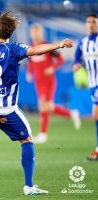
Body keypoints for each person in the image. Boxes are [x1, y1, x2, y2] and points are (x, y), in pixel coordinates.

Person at [0, 12, 73, 196]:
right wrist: (59, 44)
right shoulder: (14, 49)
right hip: (6, 111)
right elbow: (35, 50)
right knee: (27, 140)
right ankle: (29, 185)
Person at [27, 23, 80, 144]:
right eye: (33, 32)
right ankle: (71, 113)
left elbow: (60, 59)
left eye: (37, 32)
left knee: (43, 106)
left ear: (41, 33)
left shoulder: (47, 46)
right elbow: (30, 62)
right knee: (47, 107)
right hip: (38, 82)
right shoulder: (31, 47)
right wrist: (30, 73)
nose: (35, 34)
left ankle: (43, 134)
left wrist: (52, 67)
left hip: (48, 81)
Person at [73, 13, 98, 161]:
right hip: (92, 84)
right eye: (88, 22)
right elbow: (78, 59)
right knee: (96, 117)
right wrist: (76, 65)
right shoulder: (83, 42)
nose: (91, 24)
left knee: (95, 114)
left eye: (94, 22)